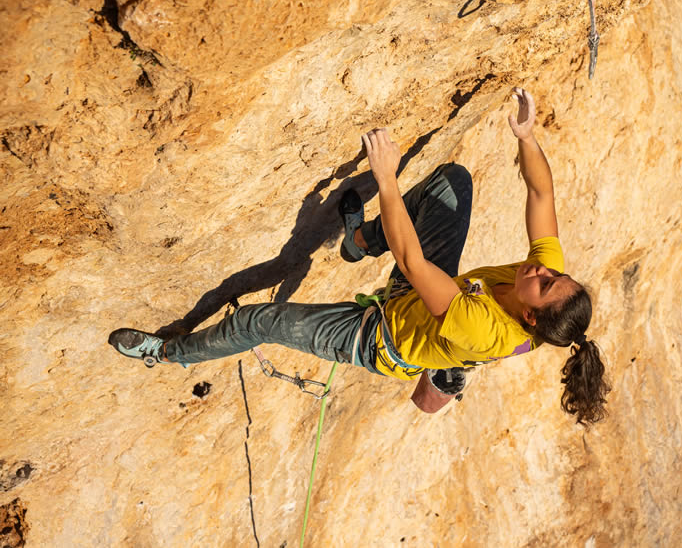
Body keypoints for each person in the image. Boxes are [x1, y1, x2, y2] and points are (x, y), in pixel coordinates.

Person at [109, 87, 612, 425]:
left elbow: (414, 263)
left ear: (529, 314)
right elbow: (542, 196)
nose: (541, 268)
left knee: (258, 323)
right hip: (428, 302)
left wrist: (387, 177)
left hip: (382, 337)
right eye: (553, 272)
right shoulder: (539, 285)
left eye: (544, 282)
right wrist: (527, 137)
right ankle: (358, 243)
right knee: (451, 184)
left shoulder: (490, 326)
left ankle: (166, 353)